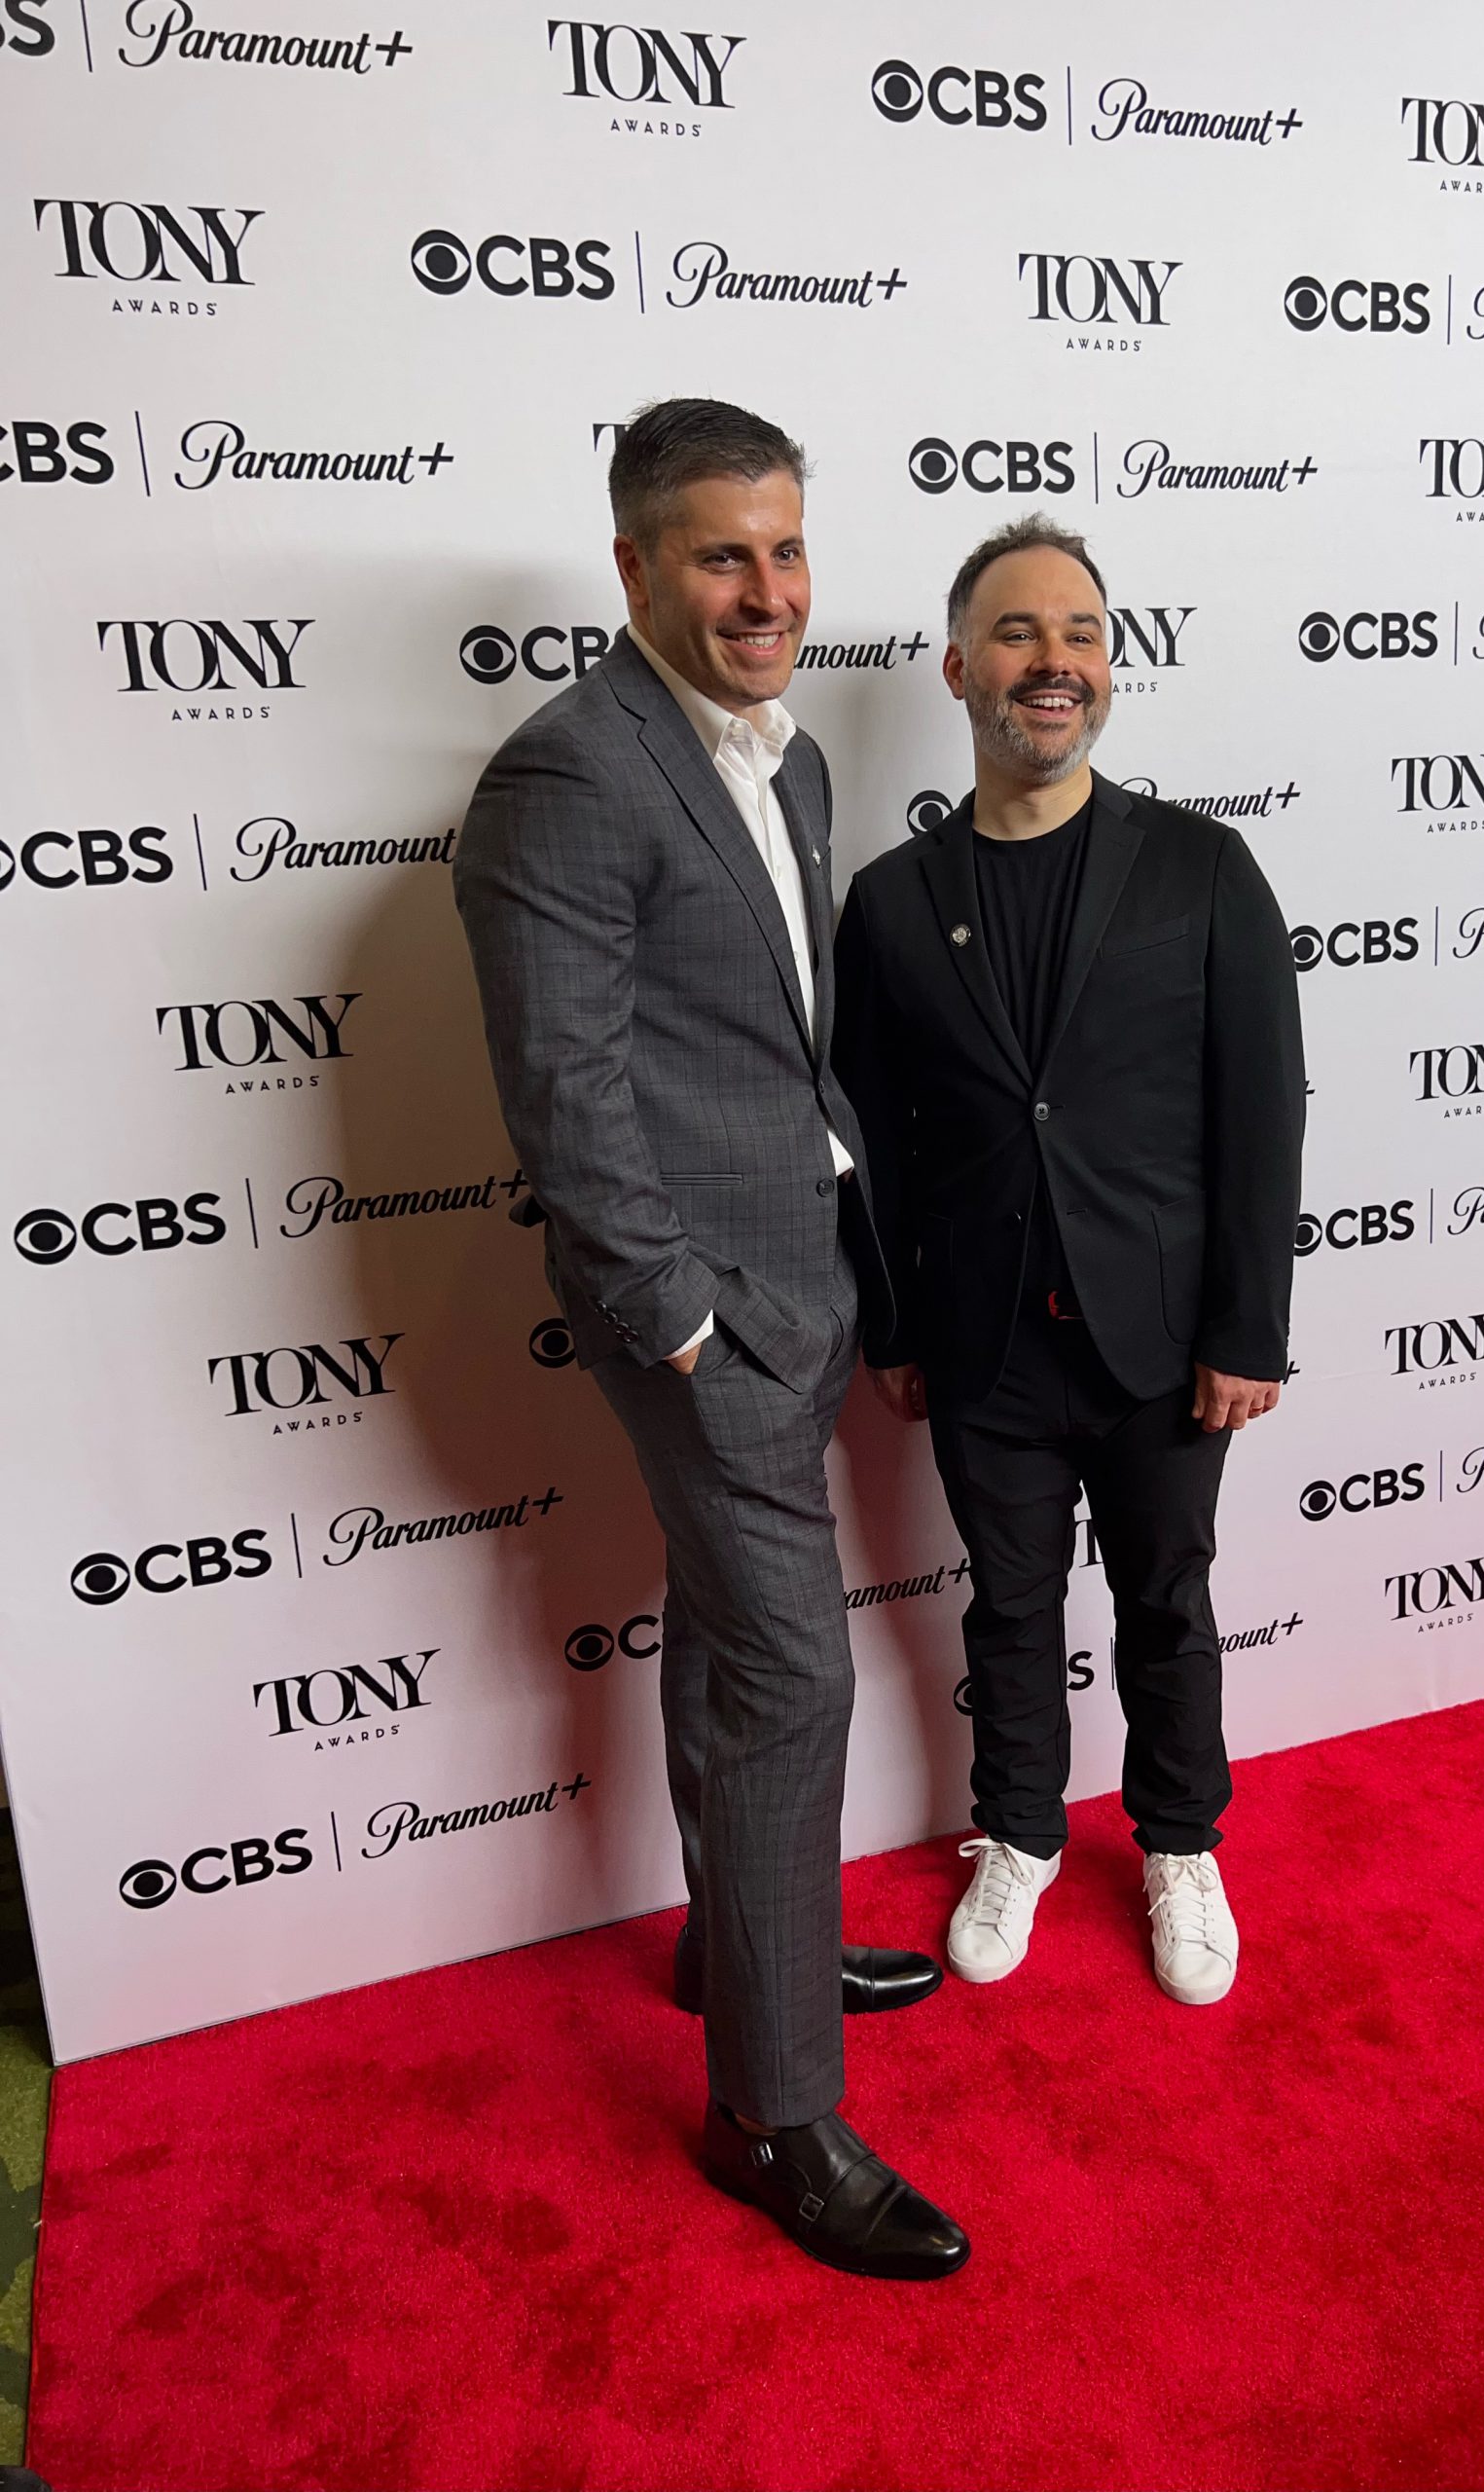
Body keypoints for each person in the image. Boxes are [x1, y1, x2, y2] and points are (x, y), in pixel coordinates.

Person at [453, 398, 966, 2281]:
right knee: (790, 1679)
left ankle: (732, 1934)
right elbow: (565, 1091)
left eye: (788, 550)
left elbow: (770, 1039)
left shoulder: (794, 757)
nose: (768, 592)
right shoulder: (567, 776)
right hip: (705, 1317)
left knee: (741, 1662)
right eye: (722, 556)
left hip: (804, 1270)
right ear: (634, 568)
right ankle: (776, 2113)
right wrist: (677, 1321)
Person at [833, 515, 1305, 2007]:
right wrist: (891, 1325)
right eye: (1023, 634)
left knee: (1168, 1596)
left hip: (1164, 1336)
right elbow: (873, 1142)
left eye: (1083, 634)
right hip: (982, 1343)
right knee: (1009, 1603)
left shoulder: (1202, 866)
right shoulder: (893, 901)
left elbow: (1258, 1114)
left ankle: (1179, 1842)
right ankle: (1022, 1832)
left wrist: (1250, 1328)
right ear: (962, 666)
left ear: (1109, 669)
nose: (1057, 662)